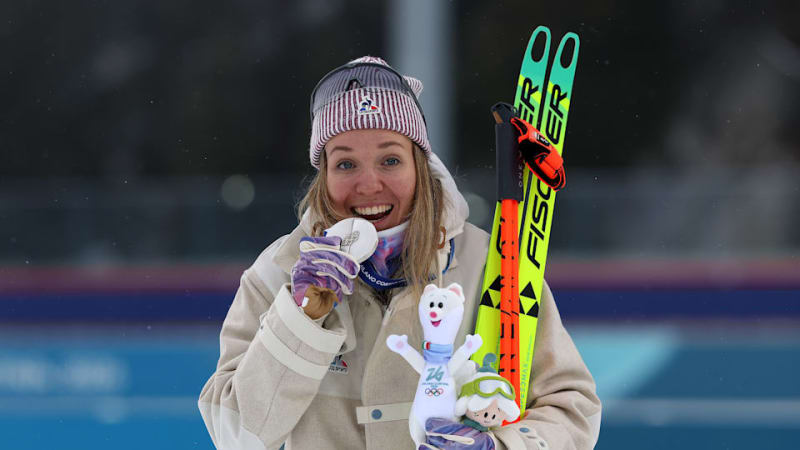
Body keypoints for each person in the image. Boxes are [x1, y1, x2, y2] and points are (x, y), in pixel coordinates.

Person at [198, 56, 601, 449]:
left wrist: (500, 446)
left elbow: (573, 409)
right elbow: (237, 438)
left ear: (421, 167)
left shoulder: (492, 264)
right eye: (345, 164)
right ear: (322, 176)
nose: (369, 184)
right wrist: (301, 320)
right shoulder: (278, 272)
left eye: (390, 160)